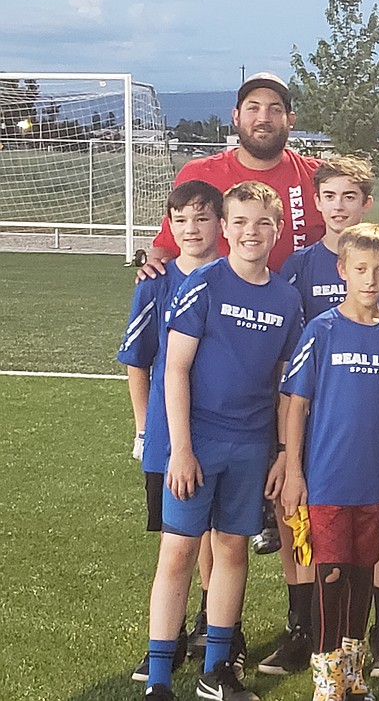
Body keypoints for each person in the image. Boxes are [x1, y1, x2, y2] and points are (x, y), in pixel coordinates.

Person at [143, 181, 304, 701]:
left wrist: (282, 452)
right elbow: (175, 370)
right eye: (239, 222)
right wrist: (181, 449)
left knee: (233, 549)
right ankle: (161, 679)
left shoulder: (287, 297)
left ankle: (217, 672)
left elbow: (285, 383)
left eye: (262, 223)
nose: (250, 232)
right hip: (197, 443)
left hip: (252, 445)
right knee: (179, 552)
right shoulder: (202, 284)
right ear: (225, 228)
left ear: (278, 230)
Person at [264, 155, 379, 680]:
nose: (340, 206)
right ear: (318, 200)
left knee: (367, 555)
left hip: (370, 452)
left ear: (365, 203)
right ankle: (302, 633)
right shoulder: (302, 271)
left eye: (351, 196)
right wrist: (288, 455)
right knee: (307, 542)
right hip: (314, 440)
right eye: (331, 196)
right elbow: (288, 360)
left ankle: (378, 640)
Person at [119, 180, 223, 683]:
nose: (191, 229)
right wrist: (144, 429)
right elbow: (138, 362)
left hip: (223, 433)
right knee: (177, 541)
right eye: (180, 220)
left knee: (221, 540)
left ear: (219, 224)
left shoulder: (234, 279)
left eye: (201, 219)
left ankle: (214, 626)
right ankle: (168, 638)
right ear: (170, 225)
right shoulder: (154, 281)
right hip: (167, 435)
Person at [143, 72, 323, 276]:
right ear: (236, 116)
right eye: (253, 108)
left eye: (274, 109)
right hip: (219, 304)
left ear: (290, 119)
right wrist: (153, 271)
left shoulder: (318, 177)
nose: (263, 118)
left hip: (297, 304)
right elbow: (168, 246)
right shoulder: (200, 174)